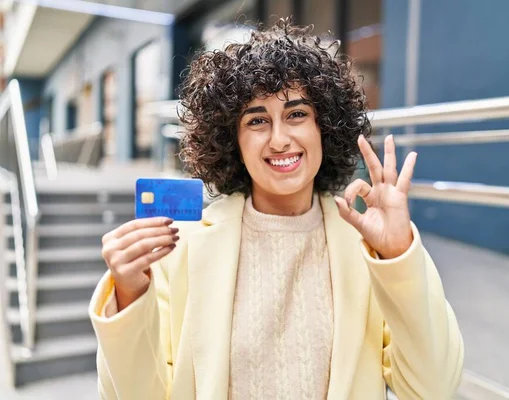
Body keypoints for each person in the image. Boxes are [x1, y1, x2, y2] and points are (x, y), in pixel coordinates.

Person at [89, 19, 463, 400]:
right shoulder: (178, 247)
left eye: (297, 114)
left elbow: (432, 388)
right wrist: (129, 295)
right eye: (257, 120)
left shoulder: (366, 248)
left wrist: (399, 254)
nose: (280, 140)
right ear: (231, 139)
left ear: (325, 127)